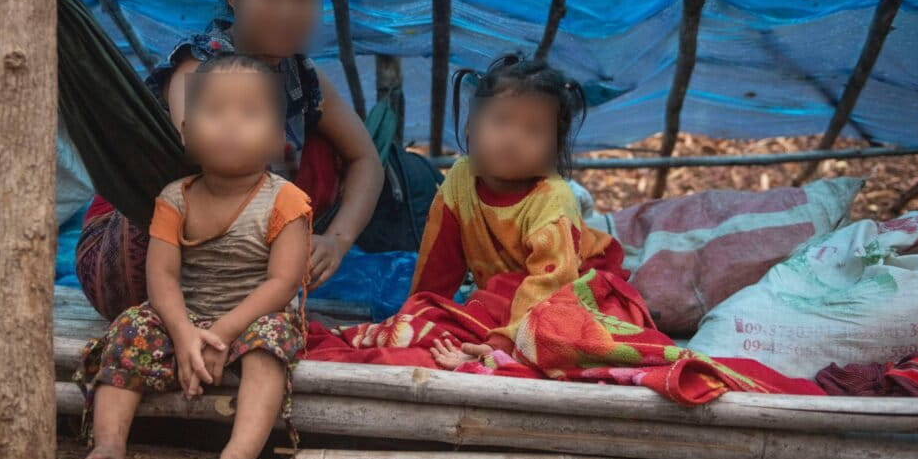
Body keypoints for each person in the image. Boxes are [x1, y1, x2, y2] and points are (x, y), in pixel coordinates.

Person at [307, 55, 822, 403]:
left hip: (574, 288)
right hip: (501, 300)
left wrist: (503, 344)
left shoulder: (550, 199)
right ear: (472, 125)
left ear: (555, 148)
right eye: (500, 122)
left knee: (552, 325)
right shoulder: (460, 180)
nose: (512, 140)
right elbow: (438, 265)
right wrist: (419, 318)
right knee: (432, 316)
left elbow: (548, 283)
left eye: (532, 131)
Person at [77, 0, 382, 321]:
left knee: (328, 152)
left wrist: (337, 242)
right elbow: (207, 160)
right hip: (145, 252)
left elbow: (367, 161)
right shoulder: (200, 66)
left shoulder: (303, 77)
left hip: (243, 258)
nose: (289, 11)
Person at [73, 56, 312, 459]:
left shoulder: (286, 200)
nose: (229, 125)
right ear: (185, 129)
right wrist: (183, 333)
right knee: (129, 327)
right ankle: (108, 447)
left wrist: (220, 335)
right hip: (187, 314)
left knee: (270, 345)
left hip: (253, 315)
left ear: (280, 136)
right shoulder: (174, 198)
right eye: (214, 111)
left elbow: (282, 284)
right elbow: (161, 277)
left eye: (249, 113)